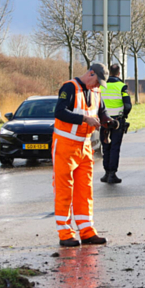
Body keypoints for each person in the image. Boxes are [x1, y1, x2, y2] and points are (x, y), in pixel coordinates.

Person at [52, 62, 118, 247]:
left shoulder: (96, 92)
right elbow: (59, 112)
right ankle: (65, 233)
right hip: (65, 145)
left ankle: (87, 231)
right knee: (64, 190)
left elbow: (101, 112)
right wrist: (84, 119)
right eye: (98, 82)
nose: (98, 86)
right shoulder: (69, 88)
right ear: (91, 74)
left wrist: (108, 121)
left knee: (84, 190)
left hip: (85, 146)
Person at [100, 63, 132, 184]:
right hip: (117, 122)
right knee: (114, 147)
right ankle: (112, 174)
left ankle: (106, 173)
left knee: (105, 146)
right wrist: (124, 115)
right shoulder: (122, 86)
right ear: (119, 73)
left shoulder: (101, 86)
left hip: (103, 121)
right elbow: (128, 105)